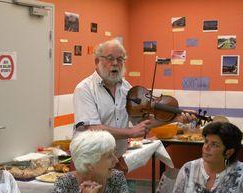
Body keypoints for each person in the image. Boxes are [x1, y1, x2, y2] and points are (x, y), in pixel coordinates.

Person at [73, 39, 195, 171]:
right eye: (110, 58)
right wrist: (130, 132)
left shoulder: (127, 89)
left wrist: (175, 118)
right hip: (90, 162)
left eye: (120, 59)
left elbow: (143, 123)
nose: (115, 63)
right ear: (97, 61)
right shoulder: (85, 89)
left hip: (116, 160)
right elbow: (92, 129)